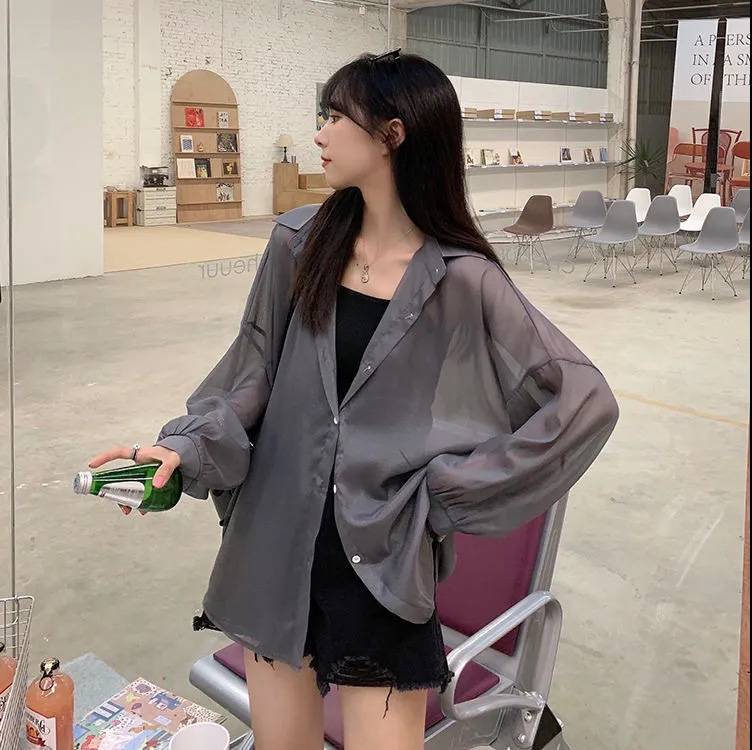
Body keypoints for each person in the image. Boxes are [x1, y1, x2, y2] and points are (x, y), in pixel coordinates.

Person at [90, 50, 619, 750]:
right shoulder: (298, 243)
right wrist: (183, 446)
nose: (320, 133)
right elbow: (253, 374)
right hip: (274, 550)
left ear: (392, 135)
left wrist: (445, 492)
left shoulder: (462, 280)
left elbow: (584, 402)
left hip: (382, 566)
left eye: (336, 117)